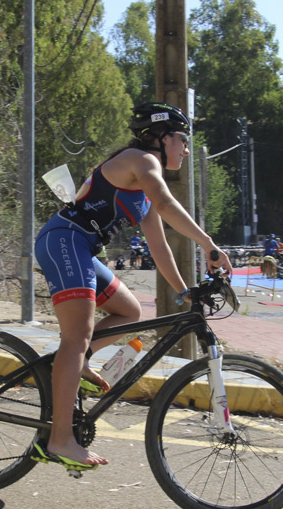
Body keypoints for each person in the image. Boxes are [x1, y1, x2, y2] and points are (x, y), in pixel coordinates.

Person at [33, 102, 232, 468]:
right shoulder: (142, 160)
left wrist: (184, 292)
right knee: (77, 335)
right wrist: (209, 245)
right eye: (183, 140)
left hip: (79, 246)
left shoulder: (143, 186)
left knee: (130, 311)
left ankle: (74, 364)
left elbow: (159, 247)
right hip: (64, 240)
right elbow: (167, 202)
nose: (186, 150)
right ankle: (60, 439)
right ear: (162, 137)